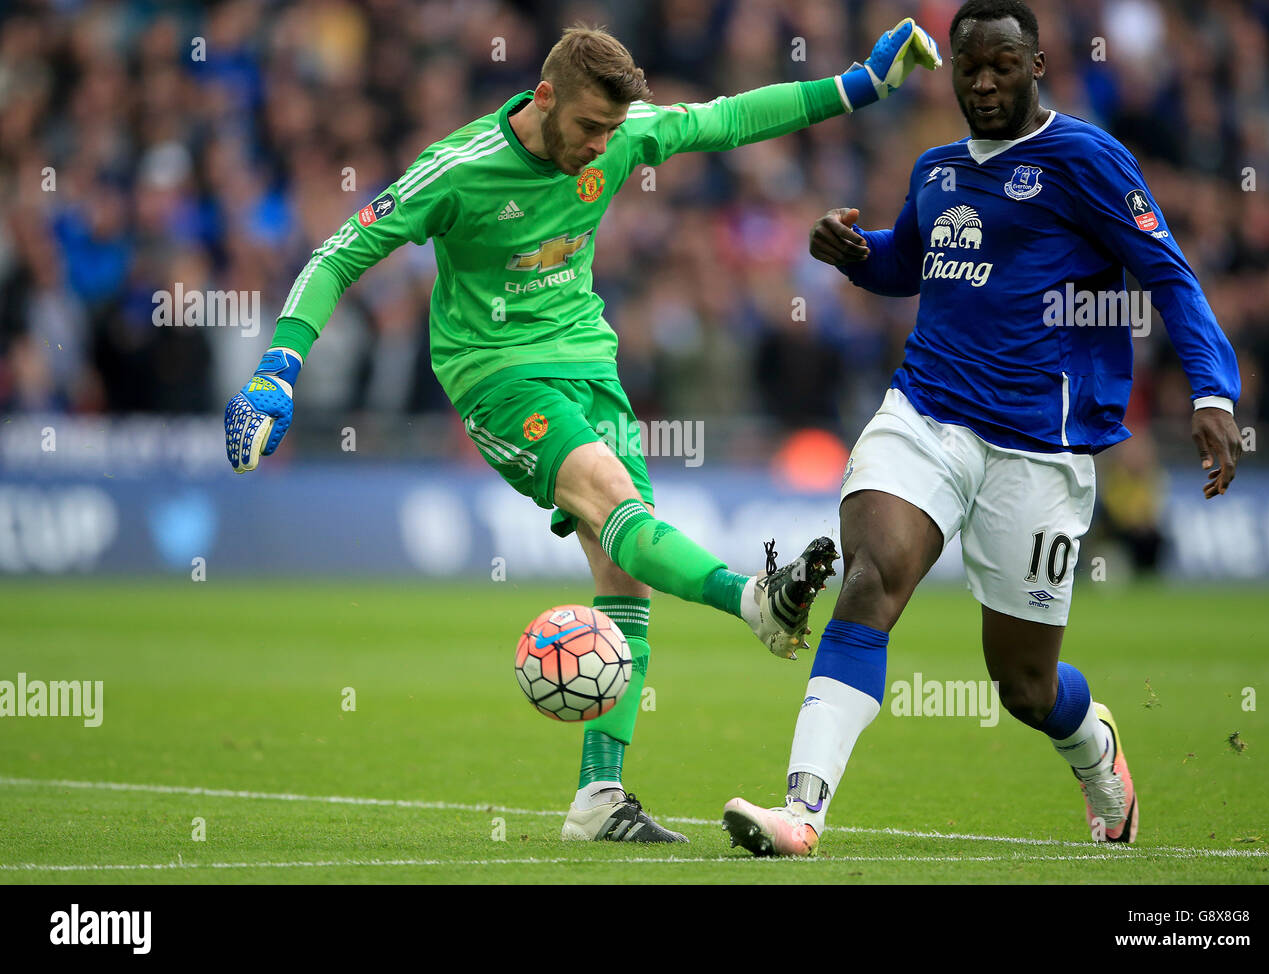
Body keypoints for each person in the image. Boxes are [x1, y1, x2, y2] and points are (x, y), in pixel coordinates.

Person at [224, 22, 941, 842]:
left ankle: (598, 799)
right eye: (590, 128)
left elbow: (731, 118)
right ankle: (753, 599)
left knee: (623, 573)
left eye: (613, 130)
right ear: (544, 97)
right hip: (497, 376)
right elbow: (339, 255)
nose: (603, 145)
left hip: (588, 365)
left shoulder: (621, 137)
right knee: (610, 500)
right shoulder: (458, 170)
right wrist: (281, 363)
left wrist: (860, 86)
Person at [723, 0, 1243, 856]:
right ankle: (801, 814)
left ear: (1037, 65)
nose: (986, 81)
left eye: (1004, 64)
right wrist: (858, 256)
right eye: (970, 66)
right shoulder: (936, 169)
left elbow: (1169, 276)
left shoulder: (1086, 158)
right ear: (953, 70)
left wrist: (1213, 392)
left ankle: (1094, 748)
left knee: (1025, 685)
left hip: (1040, 447)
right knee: (873, 574)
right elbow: (914, 261)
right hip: (926, 413)